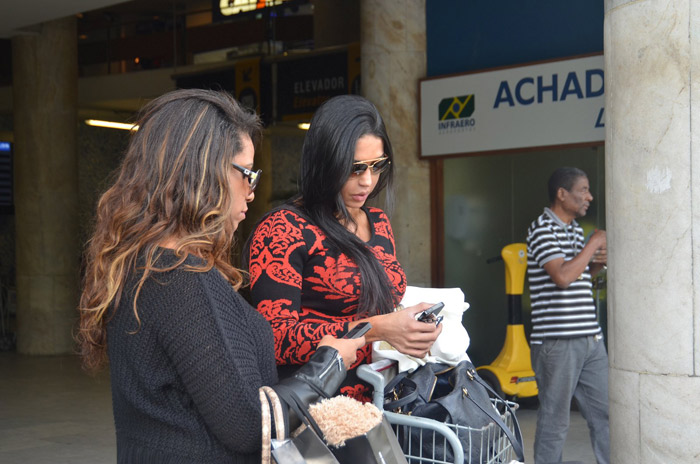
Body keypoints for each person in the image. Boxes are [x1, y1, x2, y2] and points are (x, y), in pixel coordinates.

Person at [76, 89, 364, 463]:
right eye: (247, 174)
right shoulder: (177, 278)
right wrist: (328, 363)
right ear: (200, 171)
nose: (251, 191)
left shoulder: (145, 264)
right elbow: (248, 425)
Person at [245, 95, 442, 403]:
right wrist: (376, 329)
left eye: (377, 166)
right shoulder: (284, 228)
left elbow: (381, 308)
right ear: (325, 163)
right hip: (314, 410)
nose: (368, 181)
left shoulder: (378, 221)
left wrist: (412, 328)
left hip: (381, 400)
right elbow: (274, 340)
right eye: (354, 168)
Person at [526, 166, 610, 464]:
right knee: (555, 420)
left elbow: (578, 273)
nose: (590, 196)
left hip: (590, 339)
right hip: (558, 342)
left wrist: (597, 263)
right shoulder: (541, 229)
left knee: (606, 415)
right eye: (583, 190)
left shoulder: (574, 228)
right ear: (562, 194)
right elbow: (562, 276)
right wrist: (594, 244)